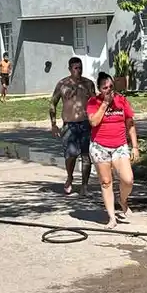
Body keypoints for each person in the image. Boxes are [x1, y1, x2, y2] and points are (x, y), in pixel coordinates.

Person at [86, 73, 139, 227]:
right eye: (105, 88)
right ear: (99, 89)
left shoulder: (122, 100)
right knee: (106, 182)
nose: (108, 90)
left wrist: (134, 146)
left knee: (128, 179)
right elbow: (94, 122)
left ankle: (122, 200)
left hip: (119, 145)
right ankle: (112, 218)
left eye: (110, 86)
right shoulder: (93, 102)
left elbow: (130, 124)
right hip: (100, 146)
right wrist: (104, 104)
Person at [49, 57, 96, 195]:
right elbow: (53, 103)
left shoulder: (88, 84)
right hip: (69, 125)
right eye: (76, 68)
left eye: (80, 68)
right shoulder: (62, 84)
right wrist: (53, 124)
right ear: (70, 69)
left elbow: (95, 102)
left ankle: (84, 186)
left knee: (86, 156)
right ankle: (70, 177)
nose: (79, 70)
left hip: (85, 124)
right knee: (71, 155)